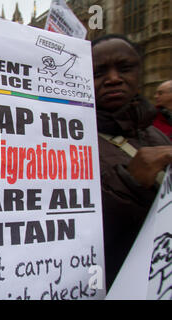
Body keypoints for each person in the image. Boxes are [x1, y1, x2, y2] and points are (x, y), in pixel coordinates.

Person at [91, 34, 172, 290]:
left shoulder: (153, 133)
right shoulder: (66, 139)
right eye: (98, 72)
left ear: (139, 73)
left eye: (124, 68)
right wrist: (132, 181)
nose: (114, 78)